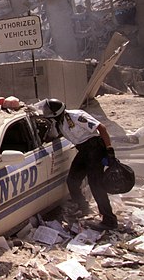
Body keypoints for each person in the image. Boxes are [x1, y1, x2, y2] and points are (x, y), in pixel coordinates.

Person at [42, 98, 117, 231]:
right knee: (72, 181)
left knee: (96, 185)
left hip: (95, 148)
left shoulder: (76, 116)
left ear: (56, 113)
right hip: (83, 150)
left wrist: (109, 151)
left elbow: (101, 128)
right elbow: (51, 136)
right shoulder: (59, 124)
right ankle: (83, 208)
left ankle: (109, 220)